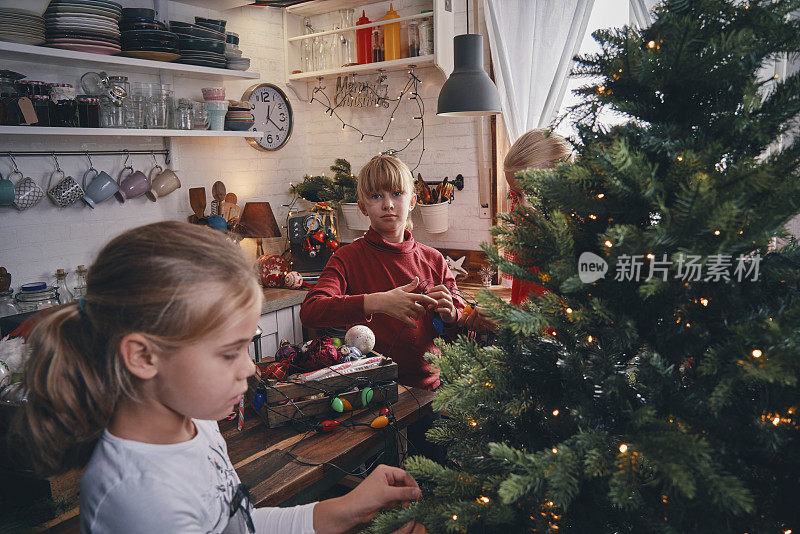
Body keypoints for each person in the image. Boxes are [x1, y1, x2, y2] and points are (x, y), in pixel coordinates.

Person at [13, 222, 425, 534]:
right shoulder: (138, 499)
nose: (249, 368)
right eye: (229, 353)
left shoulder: (196, 423)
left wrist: (347, 508)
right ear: (142, 356)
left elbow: (237, 523)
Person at [300, 154, 465, 392]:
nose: (388, 204)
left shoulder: (434, 260)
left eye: (396, 194)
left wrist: (452, 317)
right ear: (362, 207)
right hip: (370, 392)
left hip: (430, 393)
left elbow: (461, 327)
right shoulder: (347, 258)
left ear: (412, 202)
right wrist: (378, 302)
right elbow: (311, 311)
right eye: (377, 196)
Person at [458, 129, 573, 331]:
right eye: (517, 195)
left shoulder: (583, 245)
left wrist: (510, 324)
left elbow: (576, 329)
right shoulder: (528, 244)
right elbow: (526, 308)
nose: (525, 205)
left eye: (535, 192)